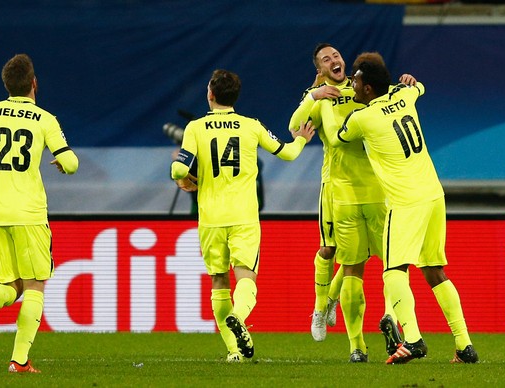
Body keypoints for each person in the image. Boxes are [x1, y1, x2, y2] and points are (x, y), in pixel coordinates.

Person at [336, 60, 479, 364]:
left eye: (357, 82)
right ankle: (464, 345)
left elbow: (340, 136)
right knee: (434, 271)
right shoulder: (406, 95)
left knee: (393, 272)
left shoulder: (363, 118)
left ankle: (413, 340)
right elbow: (417, 87)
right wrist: (408, 82)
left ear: (369, 88)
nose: (353, 85)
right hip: (433, 195)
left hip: (405, 202)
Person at [171, 69, 315, 363]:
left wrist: (182, 179)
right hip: (244, 215)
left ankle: (234, 350)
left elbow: (178, 170)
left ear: (210, 94)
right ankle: (239, 316)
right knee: (245, 275)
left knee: (219, 280)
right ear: (235, 96)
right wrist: (300, 139)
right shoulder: (251, 126)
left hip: (211, 217)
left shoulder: (195, 128)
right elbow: (287, 154)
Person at [0, 53, 79, 373]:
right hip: (29, 213)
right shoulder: (44, 119)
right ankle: (20, 361)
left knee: (9, 287)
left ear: (6, 85)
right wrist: (62, 165)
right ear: (34, 83)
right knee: (35, 286)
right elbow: (71, 163)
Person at [290, 43, 411, 362]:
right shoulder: (321, 94)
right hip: (339, 189)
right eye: (325, 59)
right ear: (319, 68)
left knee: (384, 263)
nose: (333, 61)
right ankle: (339, 327)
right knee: (338, 255)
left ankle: (343, 305)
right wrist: (312, 96)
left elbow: (394, 97)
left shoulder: (363, 88)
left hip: (376, 188)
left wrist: (409, 83)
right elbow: (293, 127)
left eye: (336, 56)